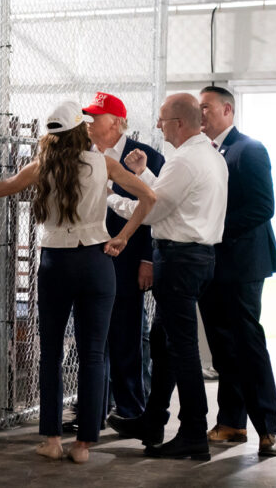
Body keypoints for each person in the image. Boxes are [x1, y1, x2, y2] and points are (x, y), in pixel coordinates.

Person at [0, 101, 155, 464]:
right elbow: (149, 196)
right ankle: (84, 445)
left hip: (56, 263)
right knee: (92, 353)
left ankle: (53, 440)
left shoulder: (40, 167)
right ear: (79, 131)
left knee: (51, 353)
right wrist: (122, 238)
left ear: (50, 136)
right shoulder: (103, 164)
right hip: (97, 260)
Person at [106, 93, 228, 460]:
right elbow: (173, 198)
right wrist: (144, 173)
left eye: (162, 119)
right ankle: (152, 419)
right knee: (161, 341)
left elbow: (153, 209)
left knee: (181, 349)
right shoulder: (204, 155)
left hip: (179, 261)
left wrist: (108, 194)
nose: (157, 126)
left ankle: (193, 433)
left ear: (179, 123)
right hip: (197, 258)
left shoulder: (186, 160)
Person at [198, 85, 276, 457]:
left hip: (244, 263)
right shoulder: (202, 153)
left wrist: (215, 229)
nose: (200, 115)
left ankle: (267, 428)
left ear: (227, 111)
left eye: (206, 108)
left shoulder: (249, 149)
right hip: (211, 264)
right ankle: (232, 423)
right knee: (223, 349)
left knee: (248, 345)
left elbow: (263, 207)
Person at [83, 92, 165, 423]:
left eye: (95, 117)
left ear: (116, 122)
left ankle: (131, 407)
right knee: (91, 339)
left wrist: (148, 260)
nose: (88, 123)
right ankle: (94, 407)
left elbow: (156, 210)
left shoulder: (146, 156)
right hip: (89, 259)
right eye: (87, 117)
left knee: (127, 335)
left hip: (128, 260)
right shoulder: (82, 156)